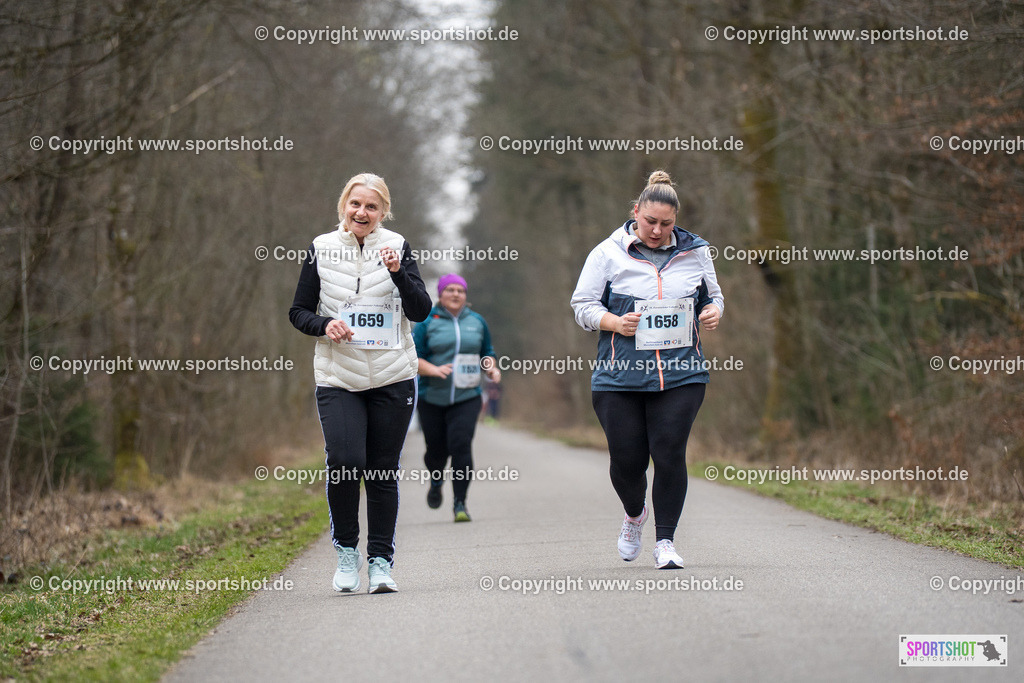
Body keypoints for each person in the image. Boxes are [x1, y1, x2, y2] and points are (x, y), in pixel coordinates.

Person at [570, 170, 723, 569]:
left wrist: (713, 311)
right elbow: (582, 307)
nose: (656, 231)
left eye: (666, 224)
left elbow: (714, 296)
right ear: (635, 212)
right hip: (619, 377)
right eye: (649, 221)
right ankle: (635, 515)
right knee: (627, 462)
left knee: (669, 452)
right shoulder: (607, 253)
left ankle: (666, 541)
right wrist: (615, 323)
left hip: (681, 374)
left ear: (676, 220)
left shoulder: (697, 252)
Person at [289, 172, 431, 593]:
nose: (362, 213)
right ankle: (347, 553)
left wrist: (397, 273)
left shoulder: (398, 247)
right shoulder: (320, 248)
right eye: (355, 204)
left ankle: (381, 562)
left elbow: (421, 310)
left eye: (371, 206)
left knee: (383, 472)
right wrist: (325, 323)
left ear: (384, 211)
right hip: (338, 377)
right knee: (346, 463)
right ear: (343, 207)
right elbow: (297, 310)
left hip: (393, 377)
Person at [413, 273, 500, 522]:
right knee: (436, 450)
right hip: (432, 396)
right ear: (440, 294)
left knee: (461, 445)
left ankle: (460, 503)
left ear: (465, 295)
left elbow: (487, 353)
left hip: (467, 395)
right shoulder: (427, 321)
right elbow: (413, 357)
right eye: (449, 290)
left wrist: (491, 368)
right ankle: (436, 479)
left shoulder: (477, 322)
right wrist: (433, 370)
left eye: (460, 290)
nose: (455, 294)